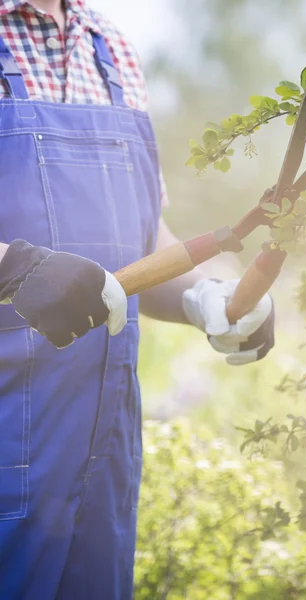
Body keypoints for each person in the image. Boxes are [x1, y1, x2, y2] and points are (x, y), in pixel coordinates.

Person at [0, 1, 275, 598]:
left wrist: (203, 297)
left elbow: (141, 235)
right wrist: (13, 265)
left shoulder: (112, 48)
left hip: (103, 452)